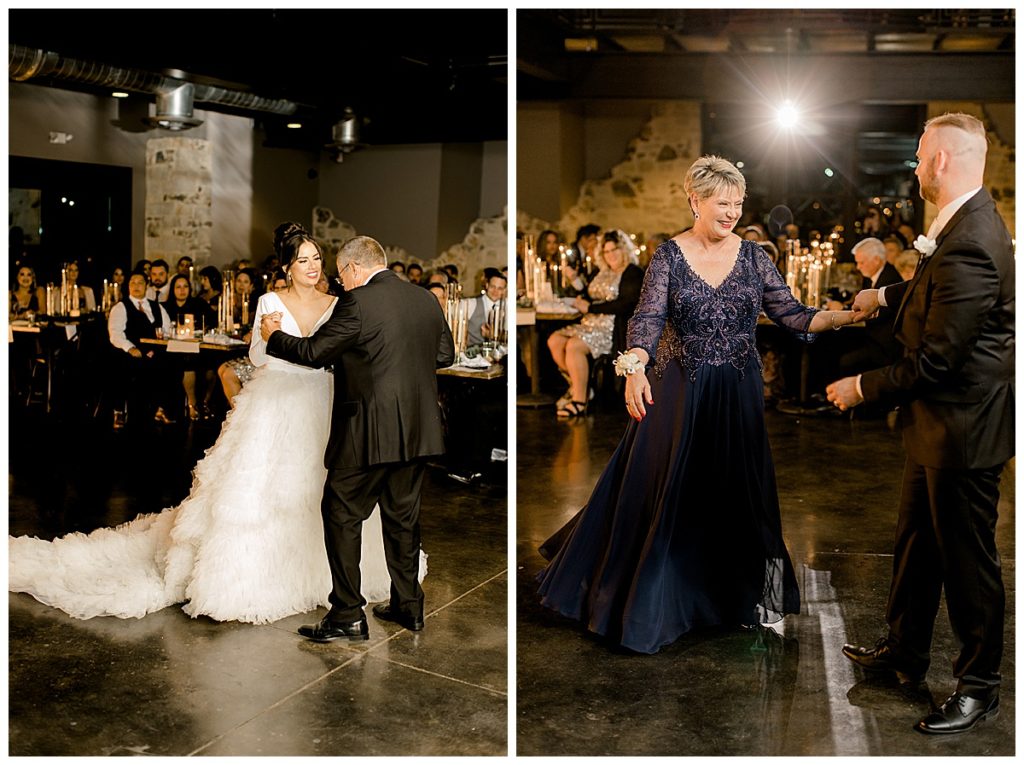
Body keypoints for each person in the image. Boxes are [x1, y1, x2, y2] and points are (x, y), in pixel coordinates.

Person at [9, 222, 423, 624]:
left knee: (325, 493)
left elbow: (335, 352)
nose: (314, 267)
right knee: (266, 491)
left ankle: (337, 584)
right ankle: (264, 579)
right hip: (279, 401)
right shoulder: (270, 302)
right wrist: (273, 337)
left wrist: (285, 340)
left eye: (316, 258)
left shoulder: (340, 303)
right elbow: (259, 357)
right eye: (303, 260)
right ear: (287, 268)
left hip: (326, 401)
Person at [536, 155, 861, 654]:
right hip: (681, 390)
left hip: (737, 392)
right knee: (672, 492)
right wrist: (635, 365)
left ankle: (748, 596)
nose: (731, 212)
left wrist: (850, 315)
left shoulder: (755, 258)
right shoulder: (668, 256)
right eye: (721, 203)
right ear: (695, 200)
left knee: (743, 492)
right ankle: (661, 603)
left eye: (737, 203)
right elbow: (645, 321)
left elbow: (794, 315)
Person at [827, 113, 1013, 735]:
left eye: (919, 153)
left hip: (963, 428)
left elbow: (937, 358)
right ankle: (905, 651)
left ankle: (979, 684)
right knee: (916, 544)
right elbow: (934, 292)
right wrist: (884, 297)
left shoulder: (974, 239)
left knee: (967, 561)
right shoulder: (961, 224)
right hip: (936, 427)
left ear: (943, 160)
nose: (914, 163)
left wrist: (862, 387)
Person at [261, 234, 454, 642]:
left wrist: (273, 336)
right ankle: (409, 607)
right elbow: (443, 357)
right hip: (419, 432)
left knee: (341, 513)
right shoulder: (425, 300)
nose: (341, 282)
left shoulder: (358, 301)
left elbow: (315, 352)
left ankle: (347, 613)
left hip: (368, 431)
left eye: (341, 274)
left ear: (352, 268)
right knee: (403, 519)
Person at [546, 229, 644, 417]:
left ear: (623, 249)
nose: (611, 255)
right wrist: (576, 284)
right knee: (555, 340)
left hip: (612, 327)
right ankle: (580, 386)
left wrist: (590, 308)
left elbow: (626, 304)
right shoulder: (601, 272)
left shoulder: (632, 272)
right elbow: (588, 295)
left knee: (574, 345)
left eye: (614, 249)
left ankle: (579, 401)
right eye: (606, 252)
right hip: (589, 322)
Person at [104, 272, 177, 425]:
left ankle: (161, 409)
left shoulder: (157, 307)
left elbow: (167, 330)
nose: (136, 286)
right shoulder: (121, 307)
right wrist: (130, 348)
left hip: (155, 350)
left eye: (140, 282)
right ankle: (119, 411)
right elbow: (115, 333)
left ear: (146, 285)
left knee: (173, 364)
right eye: (133, 283)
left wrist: (157, 348)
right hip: (131, 351)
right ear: (128, 286)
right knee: (124, 365)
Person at [837, 237, 903, 376]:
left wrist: (841, 311)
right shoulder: (873, 277)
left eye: (861, 262)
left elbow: (872, 314)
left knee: (843, 358)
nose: (858, 267)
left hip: (884, 347)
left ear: (877, 260)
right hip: (872, 337)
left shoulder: (890, 280)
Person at [163, 273, 216, 421]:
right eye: (178, 287)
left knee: (212, 363)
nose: (182, 290)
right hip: (172, 349)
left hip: (197, 347)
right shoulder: (165, 307)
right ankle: (191, 404)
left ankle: (205, 402)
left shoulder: (198, 304)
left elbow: (212, 321)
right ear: (172, 289)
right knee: (187, 362)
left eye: (185, 286)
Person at [466, 268, 508, 346]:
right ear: (487, 285)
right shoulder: (471, 303)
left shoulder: (507, 306)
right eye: (492, 286)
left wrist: (493, 335)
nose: (495, 291)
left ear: (504, 290)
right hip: (474, 355)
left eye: (500, 288)